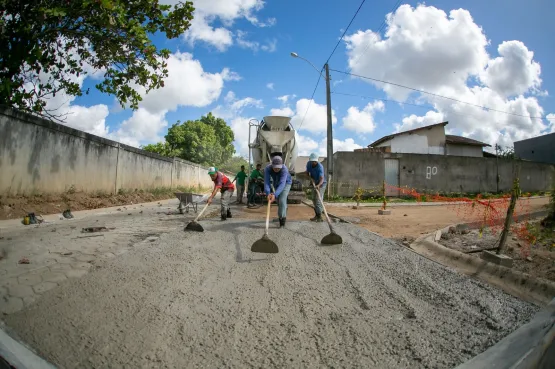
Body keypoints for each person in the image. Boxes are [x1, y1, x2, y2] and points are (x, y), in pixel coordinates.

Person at [264, 156, 292, 228]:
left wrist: (275, 194)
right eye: (275, 167)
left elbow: (282, 183)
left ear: (281, 165)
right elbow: (266, 182)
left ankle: (282, 220)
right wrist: (268, 193)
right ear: (272, 165)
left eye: (278, 167)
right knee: (279, 201)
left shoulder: (284, 169)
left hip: (286, 183)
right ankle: (283, 210)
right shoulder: (267, 169)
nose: (276, 169)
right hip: (276, 183)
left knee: (282, 199)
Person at [303, 152, 327, 222]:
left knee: (318, 200)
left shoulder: (320, 167)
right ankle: (317, 215)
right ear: (310, 160)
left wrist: (318, 185)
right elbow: (307, 172)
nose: (313, 163)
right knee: (313, 199)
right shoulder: (308, 164)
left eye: (315, 161)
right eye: (312, 161)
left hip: (322, 184)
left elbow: (322, 179)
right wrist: (309, 177)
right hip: (314, 182)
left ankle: (320, 217)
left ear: (317, 160)